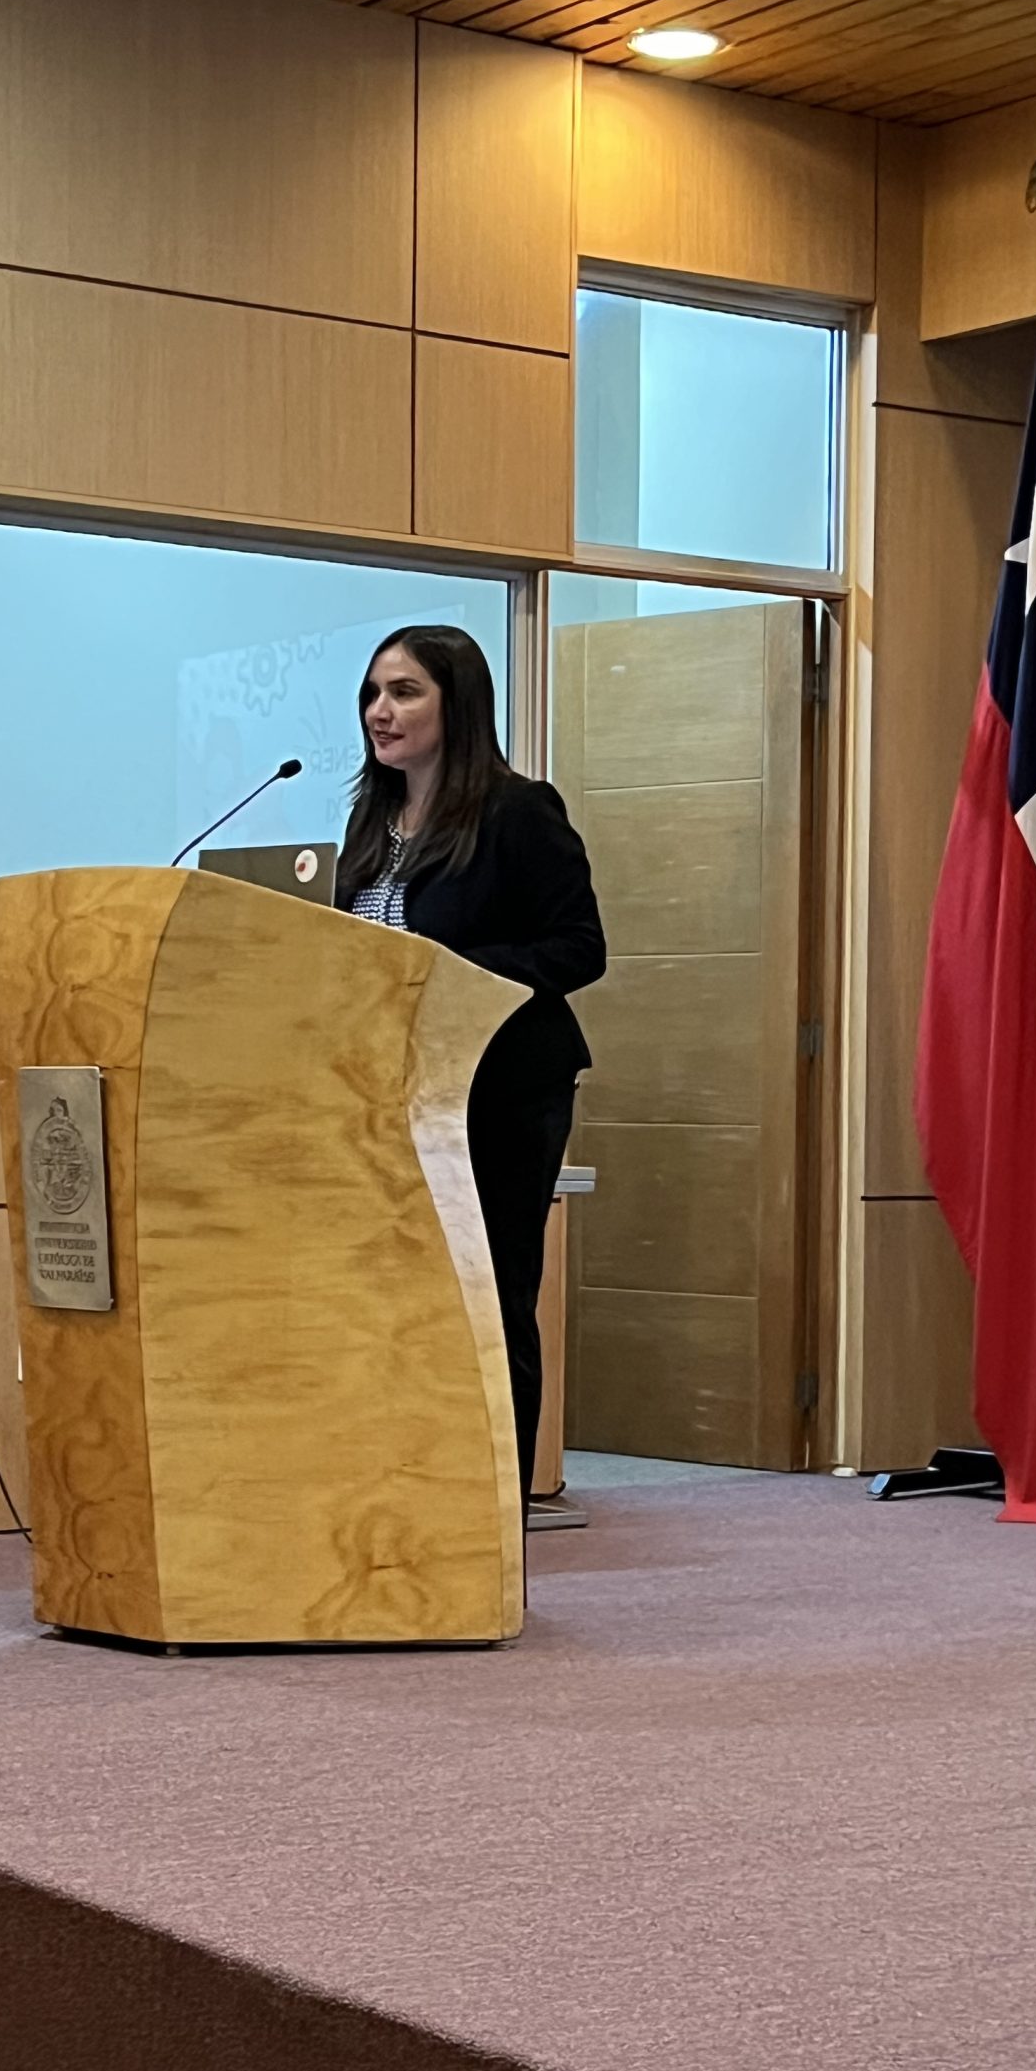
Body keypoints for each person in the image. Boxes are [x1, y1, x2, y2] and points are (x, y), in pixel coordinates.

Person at [336, 625, 606, 1509]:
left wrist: (449, 976)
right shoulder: (370, 822)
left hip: (499, 1089)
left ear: (459, 703)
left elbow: (579, 948)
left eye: (404, 691)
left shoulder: (516, 811)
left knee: (487, 1290)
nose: (381, 711)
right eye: (373, 692)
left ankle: (496, 1505)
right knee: (399, 1294)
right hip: (389, 1093)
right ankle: (413, 1487)